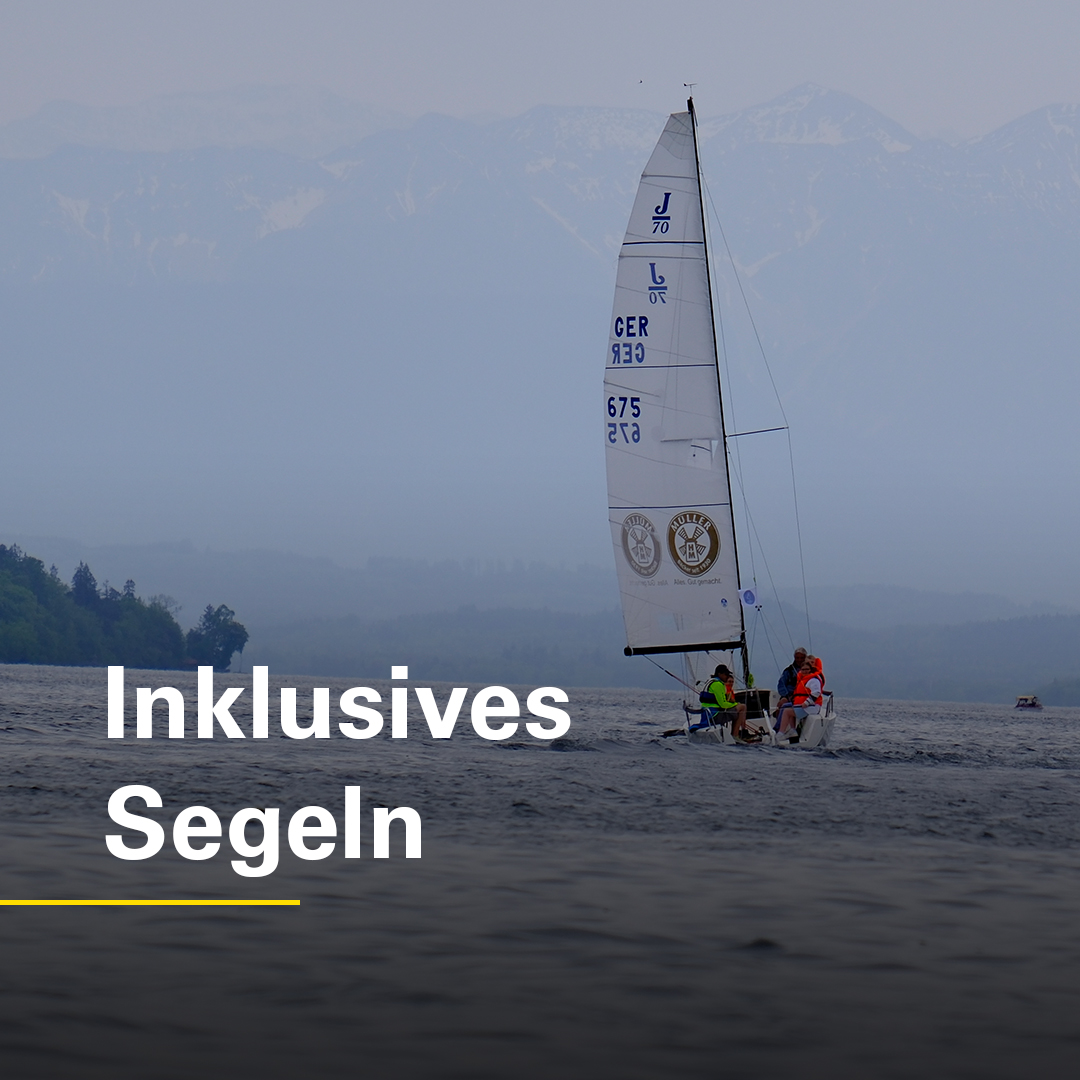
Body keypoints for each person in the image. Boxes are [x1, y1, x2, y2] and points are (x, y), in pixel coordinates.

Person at [775, 655, 824, 740]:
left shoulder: (813, 680)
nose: (805, 671)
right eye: (803, 670)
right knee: (788, 707)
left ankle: (780, 733)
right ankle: (792, 730)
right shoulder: (803, 679)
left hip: (810, 707)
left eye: (807, 669)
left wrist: (806, 703)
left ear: (810, 670)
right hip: (805, 706)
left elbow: (816, 693)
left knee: (787, 711)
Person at [699, 664, 751, 741]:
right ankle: (735, 736)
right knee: (742, 707)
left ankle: (735, 734)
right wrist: (736, 704)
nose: (727, 676)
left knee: (738, 708)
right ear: (719, 674)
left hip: (706, 715)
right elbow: (723, 704)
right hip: (714, 716)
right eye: (726, 674)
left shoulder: (709, 682)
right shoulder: (718, 684)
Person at [775, 647, 807, 717]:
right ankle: (779, 722)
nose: (799, 660)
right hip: (788, 695)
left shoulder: (810, 671)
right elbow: (781, 684)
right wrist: (787, 696)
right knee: (781, 703)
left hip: (804, 697)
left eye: (802, 658)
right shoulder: (788, 671)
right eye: (797, 658)